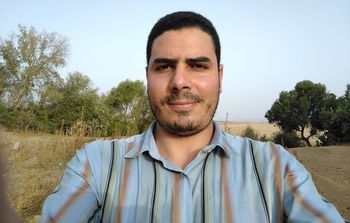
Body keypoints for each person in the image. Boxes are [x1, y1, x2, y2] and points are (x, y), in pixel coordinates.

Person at [40, 11, 345, 223]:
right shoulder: (96, 165)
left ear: (220, 76)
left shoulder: (275, 167)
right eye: (164, 67)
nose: (179, 82)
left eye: (198, 66)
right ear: (148, 75)